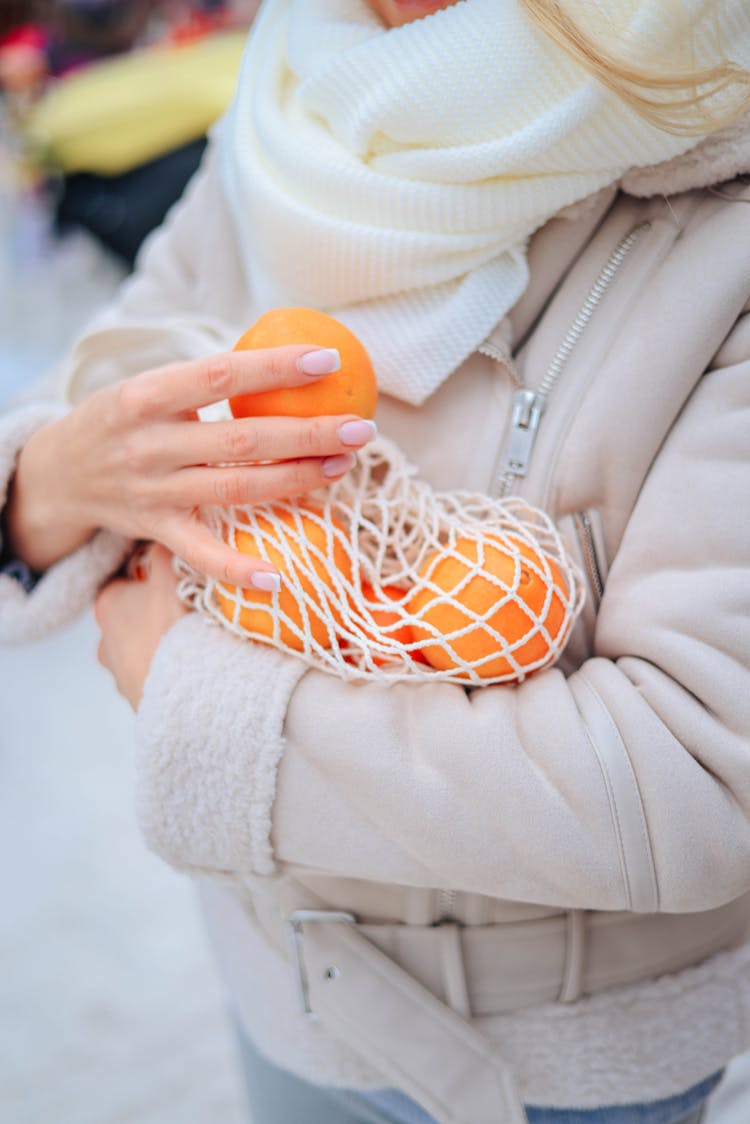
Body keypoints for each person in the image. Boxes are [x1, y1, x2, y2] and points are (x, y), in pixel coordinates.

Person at [2, 0, 750, 1121]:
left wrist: (196, 703)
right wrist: (47, 483)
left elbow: (700, 777)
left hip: (546, 1061)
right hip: (277, 967)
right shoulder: (305, 76)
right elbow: (153, 325)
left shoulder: (718, 193)